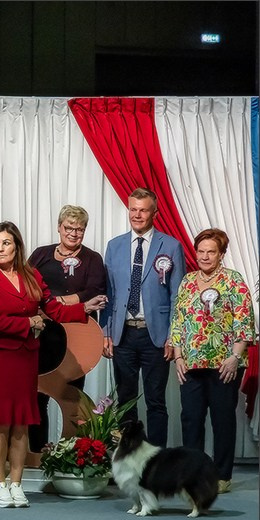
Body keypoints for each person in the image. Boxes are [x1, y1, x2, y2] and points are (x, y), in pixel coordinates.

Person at [0, 222, 107, 509]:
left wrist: (83, 308)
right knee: (0, 424)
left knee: (21, 422)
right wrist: (28, 323)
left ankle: (17, 484)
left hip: (25, 357)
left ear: (16, 245)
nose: (0, 249)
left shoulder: (31, 275)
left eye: (5, 243)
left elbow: (52, 308)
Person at [169, 228, 255, 494]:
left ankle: (221, 475)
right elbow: (179, 320)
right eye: (201, 251)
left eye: (211, 252)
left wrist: (235, 356)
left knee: (222, 419)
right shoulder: (187, 281)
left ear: (221, 254)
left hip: (224, 364)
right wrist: (178, 356)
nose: (205, 257)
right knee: (191, 419)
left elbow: (244, 321)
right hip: (191, 363)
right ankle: (193, 473)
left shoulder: (234, 281)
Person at [102, 187, 185, 447]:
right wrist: (105, 333)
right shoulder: (114, 246)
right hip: (123, 334)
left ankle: (157, 461)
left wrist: (173, 336)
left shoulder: (171, 246)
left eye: (143, 210)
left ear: (154, 213)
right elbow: (108, 293)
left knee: (155, 401)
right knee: (125, 401)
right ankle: (129, 459)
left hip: (156, 335)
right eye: (133, 209)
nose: (137, 215)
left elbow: (177, 297)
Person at [27, 205, 107, 452]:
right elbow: (28, 287)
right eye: (69, 228)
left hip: (77, 338)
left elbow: (94, 292)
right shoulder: (41, 254)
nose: (73, 233)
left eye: (79, 229)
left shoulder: (92, 259)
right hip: (42, 335)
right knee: (37, 394)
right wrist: (68, 302)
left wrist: (54, 303)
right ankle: (38, 451)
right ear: (59, 227)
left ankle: (73, 453)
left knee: (72, 396)